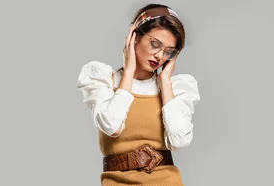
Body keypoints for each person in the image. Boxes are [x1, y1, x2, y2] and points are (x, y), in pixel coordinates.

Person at [76, 3, 200, 186]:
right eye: (154, 44)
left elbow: (178, 141)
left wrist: (165, 82)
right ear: (135, 35)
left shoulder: (178, 88)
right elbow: (112, 126)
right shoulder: (102, 79)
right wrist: (128, 72)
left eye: (168, 52)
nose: (159, 56)